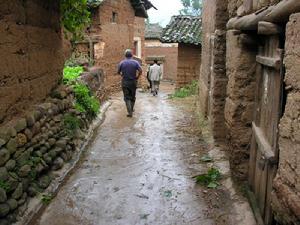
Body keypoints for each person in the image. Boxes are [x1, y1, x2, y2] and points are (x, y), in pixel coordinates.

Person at [118, 49, 142, 117]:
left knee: (126, 97)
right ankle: (131, 109)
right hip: (133, 82)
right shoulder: (136, 62)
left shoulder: (122, 63)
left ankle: (129, 112)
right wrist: (137, 77)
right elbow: (140, 71)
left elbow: (118, 72)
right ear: (132, 55)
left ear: (125, 55)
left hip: (125, 82)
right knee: (132, 96)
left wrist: (122, 75)